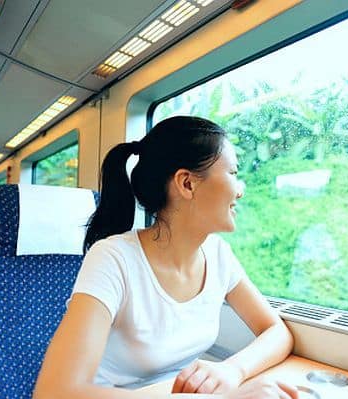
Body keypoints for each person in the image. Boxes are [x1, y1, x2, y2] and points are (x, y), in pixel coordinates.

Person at [33, 116, 297, 399]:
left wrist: (232, 371)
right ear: (187, 183)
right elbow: (53, 392)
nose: (240, 189)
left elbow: (277, 332)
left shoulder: (219, 255)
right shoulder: (113, 259)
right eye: (233, 174)